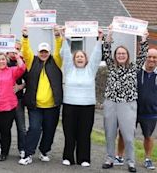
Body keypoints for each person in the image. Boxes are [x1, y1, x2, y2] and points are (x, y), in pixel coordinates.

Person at [101, 26, 148, 173]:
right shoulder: (111, 66)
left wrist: (144, 39)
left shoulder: (134, 67)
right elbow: (107, 49)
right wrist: (109, 35)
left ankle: (131, 162)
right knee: (109, 133)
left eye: (124, 53)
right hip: (111, 102)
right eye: (119, 53)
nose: (121, 55)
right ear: (115, 56)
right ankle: (110, 158)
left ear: (127, 55)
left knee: (128, 135)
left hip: (128, 104)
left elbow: (142, 55)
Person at [19, 25, 63, 165]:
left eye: (46, 52)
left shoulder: (56, 61)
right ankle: (28, 154)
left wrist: (57, 36)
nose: (44, 54)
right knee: (34, 128)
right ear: (38, 52)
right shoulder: (32, 62)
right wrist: (25, 37)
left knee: (49, 130)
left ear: (49, 52)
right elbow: (26, 51)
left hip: (52, 105)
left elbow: (59, 49)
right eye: (41, 52)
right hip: (35, 105)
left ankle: (44, 151)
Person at [59, 28, 103, 167]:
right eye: (77, 56)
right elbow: (66, 54)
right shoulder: (69, 69)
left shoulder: (90, 71)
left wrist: (99, 39)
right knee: (69, 133)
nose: (79, 58)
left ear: (86, 59)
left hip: (87, 107)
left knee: (84, 133)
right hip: (70, 106)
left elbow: (96, 56)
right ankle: (68, 157)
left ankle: (84, 158)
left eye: (82, 56)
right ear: (74, 59)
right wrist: (64, 37)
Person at [137, 48, 157, 170]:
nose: (151, 59)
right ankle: (120, 156)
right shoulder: (137, 72)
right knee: (124, 134)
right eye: (149, 56)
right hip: (133, 110)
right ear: (145, 57)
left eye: (154, 57)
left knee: (148, 136)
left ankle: (148, 159)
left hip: (151, 113)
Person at [7, 42, 27, 159]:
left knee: (21, 126)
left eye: (17, 49)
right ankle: (2, 147)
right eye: (13, 49)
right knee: (4, 126)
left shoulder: (23, 63)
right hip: (5, 100)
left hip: (18, 99)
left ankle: (22, 149)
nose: (15, 51)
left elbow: (30, 80)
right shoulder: (2, 62)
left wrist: (20, 86)